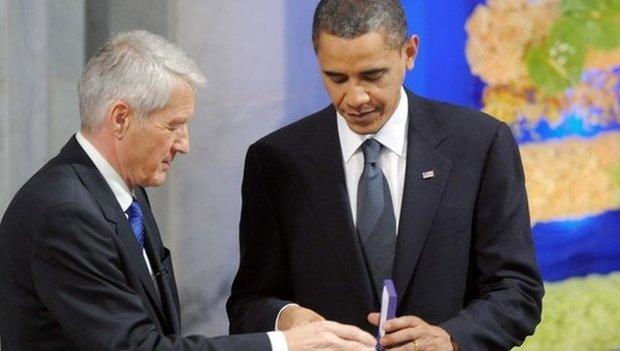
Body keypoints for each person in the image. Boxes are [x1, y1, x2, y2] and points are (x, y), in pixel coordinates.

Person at [0, 30, 376, 351]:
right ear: (120, 119)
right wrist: (284, 344)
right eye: (173, 125)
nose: (184, 145)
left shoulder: (120, 192)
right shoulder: (66, 213)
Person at [227, 1, 544, 350]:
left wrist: (452, 339)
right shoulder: (275, 160)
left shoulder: (480, 144)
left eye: (372, 75)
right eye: (336, 78)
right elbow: (248, 304)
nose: (355, 97)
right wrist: (286, 316)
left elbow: (518, 290)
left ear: (409, 53)